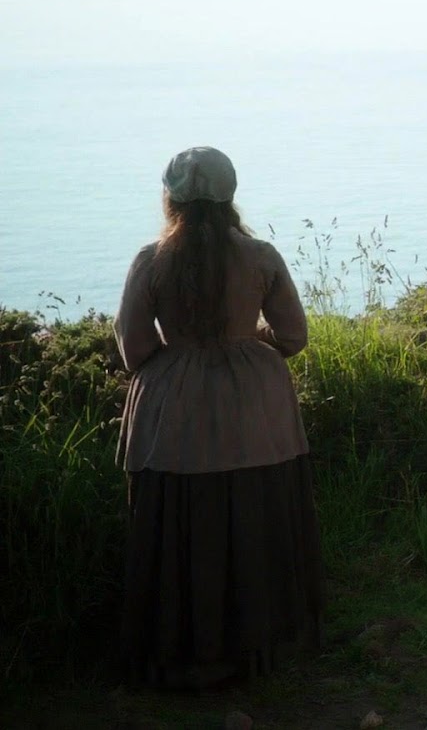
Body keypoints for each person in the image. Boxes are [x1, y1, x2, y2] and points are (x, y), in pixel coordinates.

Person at [115, 147, 322, 687]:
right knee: (255, 513)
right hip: (255, 408)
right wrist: (247, 339)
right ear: (230, 196)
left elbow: (134, 348)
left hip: (175, 411)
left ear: (171, 199)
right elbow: (293, 336)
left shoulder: (150, 260)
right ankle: (259, 640)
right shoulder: (261, 255)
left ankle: (185, 649)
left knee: (180, 521)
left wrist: (178, 354)